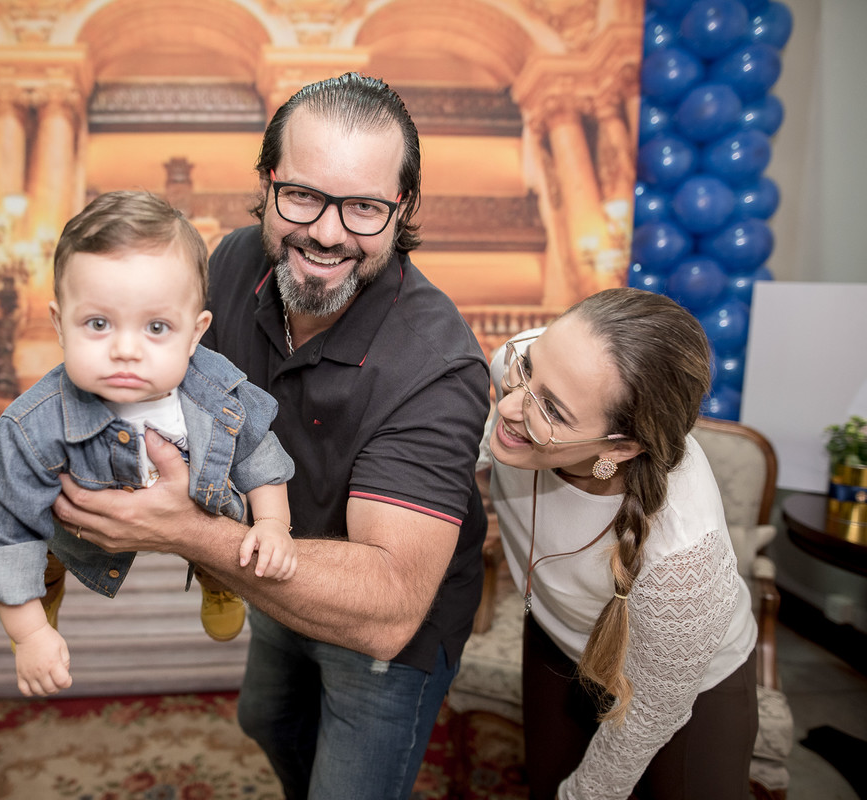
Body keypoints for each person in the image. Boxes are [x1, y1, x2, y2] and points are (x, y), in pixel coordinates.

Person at [52, 73, 492, 799]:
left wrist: (187, 531)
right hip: (272, 568)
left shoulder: (436, 365)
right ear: (268, 182)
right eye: (304, 196)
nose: (326, 232)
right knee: (267, 719)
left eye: (364, 208)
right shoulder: (232, 261)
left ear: (402, 208)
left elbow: (388, 607)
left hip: (382, 624)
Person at [0, 190, 297, 698]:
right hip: (75, 527)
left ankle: (219, 583)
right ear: (60, 325)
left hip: (204, 505)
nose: (125, 349)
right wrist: (29, 634)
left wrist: (274, 525)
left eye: (157, 327)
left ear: (195, 333)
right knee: (42, 551)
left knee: (226, 538)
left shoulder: (217, 388)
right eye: (97, 324)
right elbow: (5, 531)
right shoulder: (32, 426)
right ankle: (42, 601)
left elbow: (259, 455)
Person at [486, 287, 759, 800]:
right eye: (527, 369)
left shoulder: (683, 555)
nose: (513, 404)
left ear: (622, 447)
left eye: (552, 410)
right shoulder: (533, 367)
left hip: (683, 688)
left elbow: (650, 715)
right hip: (556, 634)